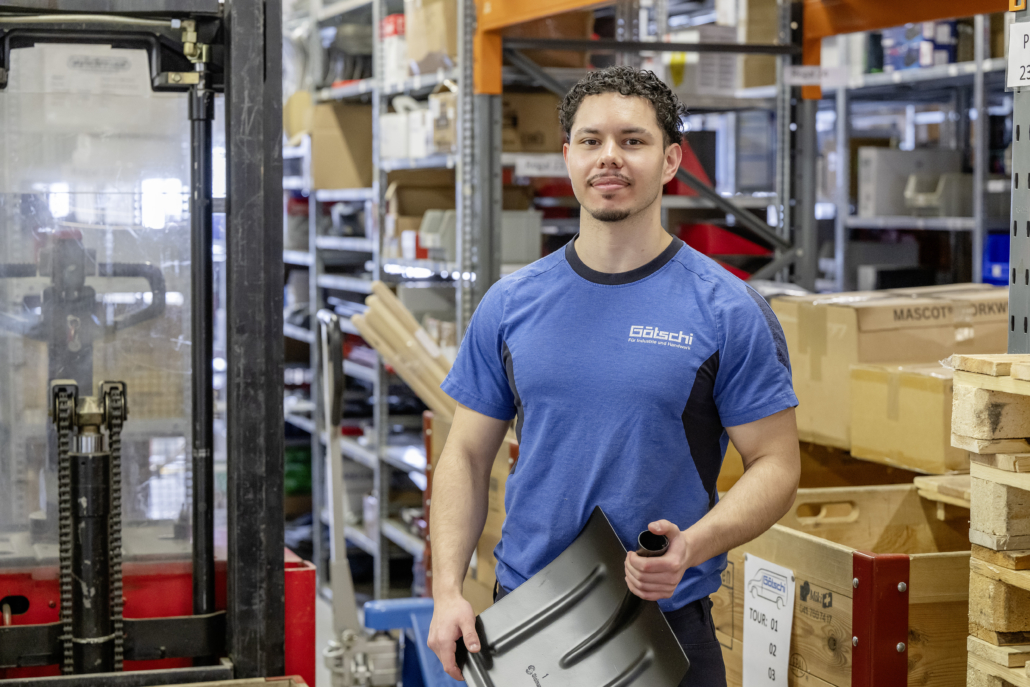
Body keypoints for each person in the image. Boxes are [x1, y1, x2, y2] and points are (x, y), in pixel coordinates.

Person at [426, 66, 801, 686]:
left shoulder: (727, 310)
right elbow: (464, 454)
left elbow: (777, 465)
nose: (610, 157)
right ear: (567, 156)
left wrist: (694, 545)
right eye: (591, 140)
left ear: (671, 160)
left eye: (633, 141)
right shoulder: (511, 304)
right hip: (529, 621)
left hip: (665, 630)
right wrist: (446, 591)